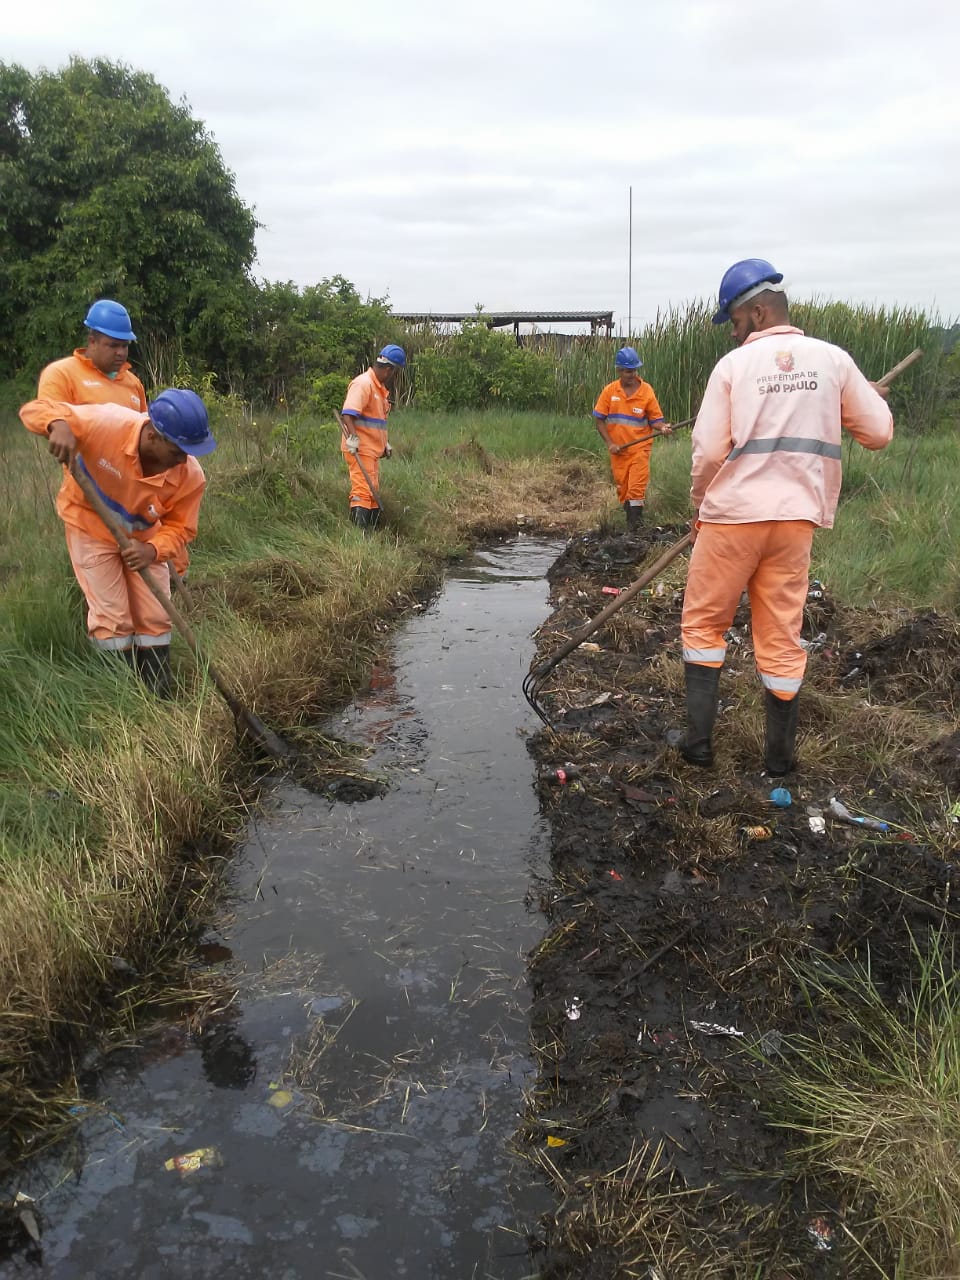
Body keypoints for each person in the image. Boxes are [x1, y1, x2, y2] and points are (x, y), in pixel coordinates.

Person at [670, 258, 893, 774]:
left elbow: (706, 451)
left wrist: (701, 505)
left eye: (734, 319)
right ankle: (779, 760)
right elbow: (878, 432)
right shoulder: (834, 362)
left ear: (760, 310)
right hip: (794, 521)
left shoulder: (733, 368)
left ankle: (699, 747)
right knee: (781, 636)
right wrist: (859, 402)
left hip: (731, 519)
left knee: (704, 625)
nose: (732, 330)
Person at [19, 389, 216, 697]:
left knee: (155, 613)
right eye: (178, 452)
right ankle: (122, 695)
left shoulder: (190, 476)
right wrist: (56, 425)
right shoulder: (105, 424)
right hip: (90, 526)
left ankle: (157, 691)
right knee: (113, 616)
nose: (184, 460)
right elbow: (35, 409)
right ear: (153, 436)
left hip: (144, 538)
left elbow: (182, 528)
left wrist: (151, 550)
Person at [592, 346, 672, 530]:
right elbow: (599, 420)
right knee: (624, 490)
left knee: (636, 489)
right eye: (628, 371)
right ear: (619, 370)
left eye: (635, 370)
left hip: (639, 449)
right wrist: (610, 443)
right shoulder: (610, 391)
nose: (632, 374)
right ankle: (630, 523)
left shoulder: (646, 391)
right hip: (619, 451)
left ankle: (634, 528)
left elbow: (656, 420)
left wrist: (663, 427)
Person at [33, 298, 147, 413]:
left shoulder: (134, 384)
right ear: (92, 342)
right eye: (113, 346)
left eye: (125, 346)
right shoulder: (61, 374)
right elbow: (55, 423)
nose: (121, 353)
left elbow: (144, 428)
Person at [341, 344, 406, 528]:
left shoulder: (378, 389)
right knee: (362, 492)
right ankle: (359, 537)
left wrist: (385, 443)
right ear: (388, 369)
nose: (394, 377)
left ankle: (370, 535)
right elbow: (348, 414)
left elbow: (374, 422)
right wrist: (352, 438)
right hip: (360, 449)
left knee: (372, 493)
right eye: (395, 372)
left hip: (372, 451)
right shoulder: (363, 384)